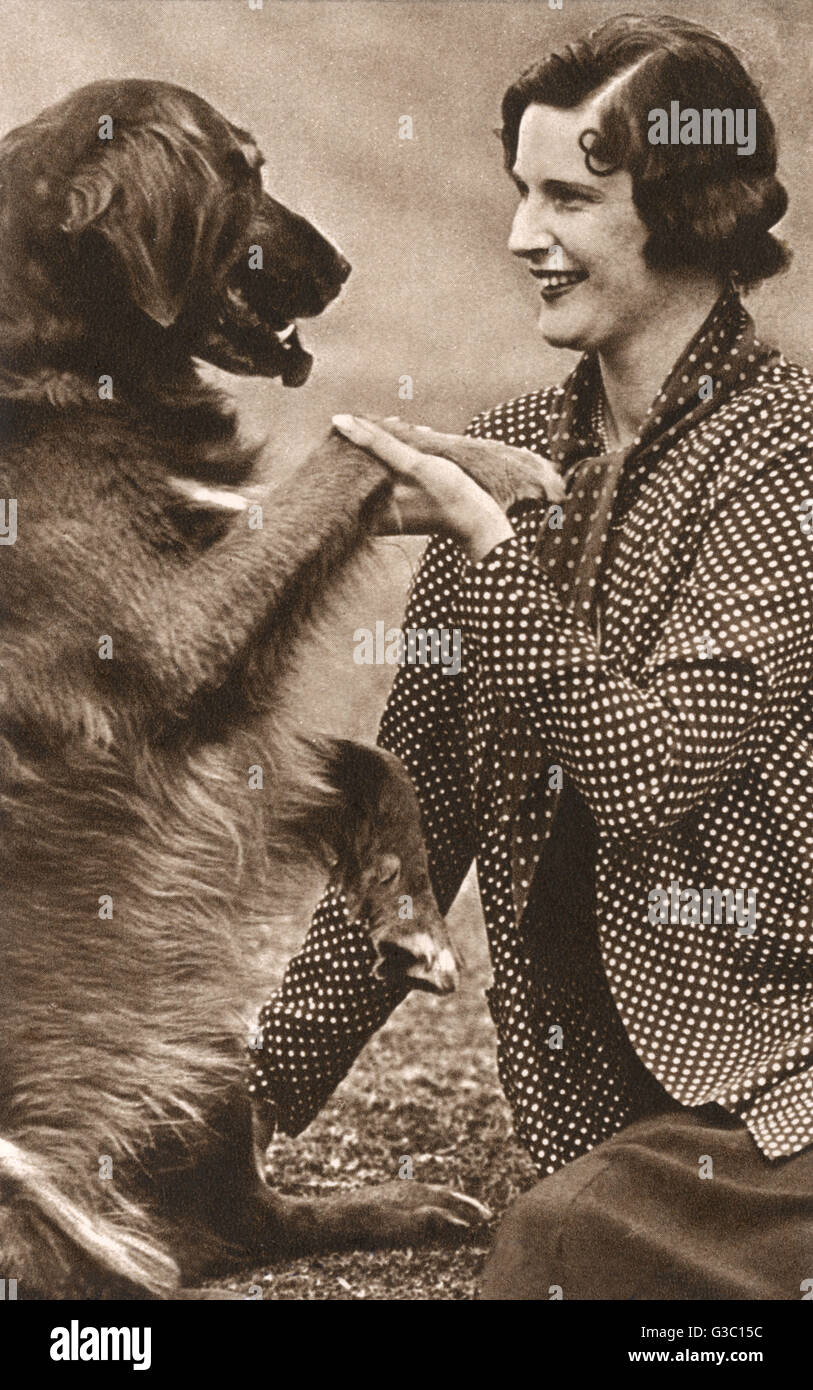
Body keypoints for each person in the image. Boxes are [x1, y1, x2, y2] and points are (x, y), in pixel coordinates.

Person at [249, 14, 813, 1299]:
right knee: (575, 1225)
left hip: (782, 1080)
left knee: (564, 1243)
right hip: (617, 1116)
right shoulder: (505, 448)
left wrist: (487, 541)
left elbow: (651, 766)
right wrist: (248, 1102)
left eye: (569, 196)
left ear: (693, 209)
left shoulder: (787, 456)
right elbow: (418, 814)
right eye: (520, 189)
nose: (521, 236)